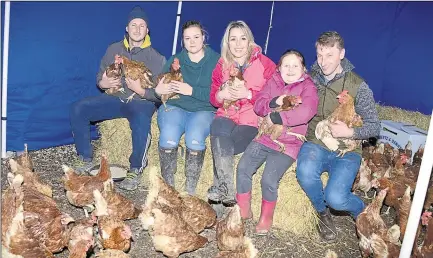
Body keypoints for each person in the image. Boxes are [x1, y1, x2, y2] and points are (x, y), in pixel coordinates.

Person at [296, 31, 381, 241]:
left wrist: (351, 132)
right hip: (316, 141)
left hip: (347, 148)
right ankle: (322, 212)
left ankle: (361, 209)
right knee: (305, 172)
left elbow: (375, 126)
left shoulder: (358, 85)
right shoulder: (308, 78)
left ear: (342, 53)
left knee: (336, 198)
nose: (323, 62)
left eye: (330, 55)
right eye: (319, 55)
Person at [70, 6, 166, 191]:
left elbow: (159, 95)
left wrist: (141, 90)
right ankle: (85, 157)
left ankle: (136, 168)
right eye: (133, 25)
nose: (137, 29)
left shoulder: (157, 58)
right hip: (115, 98)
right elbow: (100, 78)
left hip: (141, 101)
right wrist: (103, 83)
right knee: (78, 107)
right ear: (127, 28)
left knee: (141, 120)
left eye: (142, 25)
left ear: (147, 30)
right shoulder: (114, 49)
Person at [236, 49, 319, 234]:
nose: (290, 70)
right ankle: (243, 210)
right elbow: (258, 105)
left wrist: (277, 118)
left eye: (295, 66)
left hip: (288, 143)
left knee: (269, 179)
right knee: (243, 168)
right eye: (286, 66)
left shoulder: (308, 87)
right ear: (279, 68)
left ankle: (266, 217)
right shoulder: (273, 81)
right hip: (265, 137)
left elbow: (307, 112)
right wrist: (275, 101)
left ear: (303, 69)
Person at [208, 20, 276, 207]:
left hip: (251, 119)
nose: (238, 44)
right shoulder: (222, 64)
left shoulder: (266, 64)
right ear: (227, 43)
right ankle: (229, 190)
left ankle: (219, 189)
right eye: (233, 39)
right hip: (226, 113)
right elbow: (213, 98)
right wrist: (220, 94)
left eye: (242, 38)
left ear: (250, 41)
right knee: (217, 128)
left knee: (221, 145)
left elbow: (273, 98)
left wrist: (248, 94)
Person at [154, 20, 220, 195]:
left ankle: (189, 191)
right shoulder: (176, 60)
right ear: (182, 41)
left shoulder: (216, 61)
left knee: (195, 138)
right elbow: (159, 85)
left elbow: (219, 96)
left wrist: (191, 90)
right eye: (187, 38)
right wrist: (158, 90)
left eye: (196, 37)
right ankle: (168, 190)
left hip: (205, 108)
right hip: (175, 106)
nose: (192, 41)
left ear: (203, 37)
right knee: (168, 136)